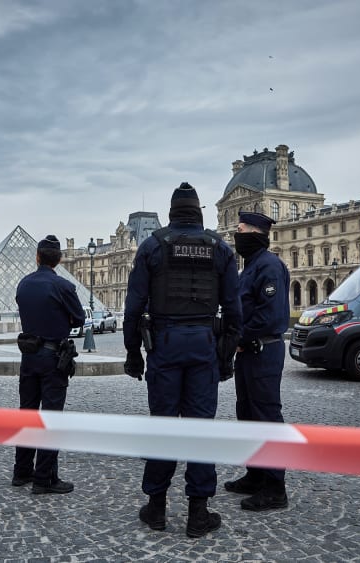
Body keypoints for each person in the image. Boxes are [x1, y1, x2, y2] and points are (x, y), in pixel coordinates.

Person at [123, 182, 242, 538]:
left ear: (172, 213)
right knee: (200, 428)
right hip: (204, 343)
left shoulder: (153, 246)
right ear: (200, 213)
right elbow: (234, 311)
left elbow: (132, 309)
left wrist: (133, 354)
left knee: (163, 426)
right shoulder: (220, 249)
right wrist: (225, 358)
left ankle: (156, 508)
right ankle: (198, 512)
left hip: (165, 344)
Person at [224, 211, 291, 511]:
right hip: (249, 352)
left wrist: (239, 336)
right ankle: (255, 474)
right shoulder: (251, 267)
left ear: (254, 233)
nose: (235, 235)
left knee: (266, 418)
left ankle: (275, 488)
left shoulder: (270, 267)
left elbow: (271, 316)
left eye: (239, 230)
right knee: (247, 415)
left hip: (263, 350)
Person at [13, 235, 85, 494]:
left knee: (27, 414)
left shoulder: (24, 284)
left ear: (37, 257)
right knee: (50, 418)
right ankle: (44, 479)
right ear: (60, 260)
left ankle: (21, 472)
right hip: (53, 357)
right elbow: (78, 319)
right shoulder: (63, 286)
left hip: (28, 356)